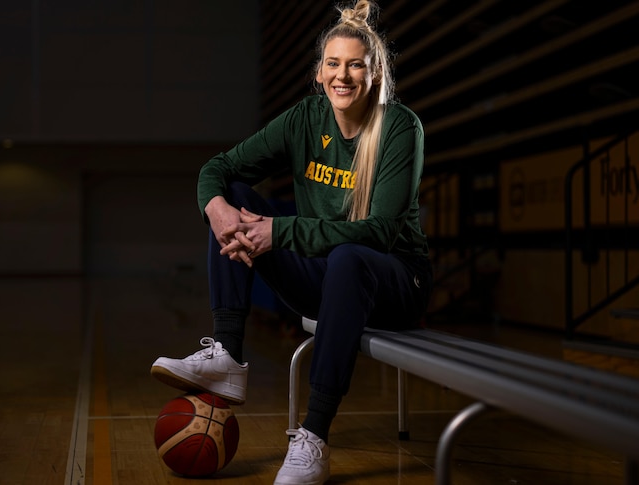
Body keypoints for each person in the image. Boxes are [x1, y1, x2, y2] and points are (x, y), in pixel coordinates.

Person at [151, 0, 432, 483]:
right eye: (333, 64)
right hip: (326, 278)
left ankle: (315, 437)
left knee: (349, 255)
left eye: (355, 65)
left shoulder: (400, 128)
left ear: (375, 73)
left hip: (394, 283)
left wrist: (279, 230)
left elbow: (380, 233)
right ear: (319, 73)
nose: (343, 76)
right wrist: (215, 209)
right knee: (234, 196)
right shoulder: (305, 120)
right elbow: (218, 169)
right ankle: (228, 354)